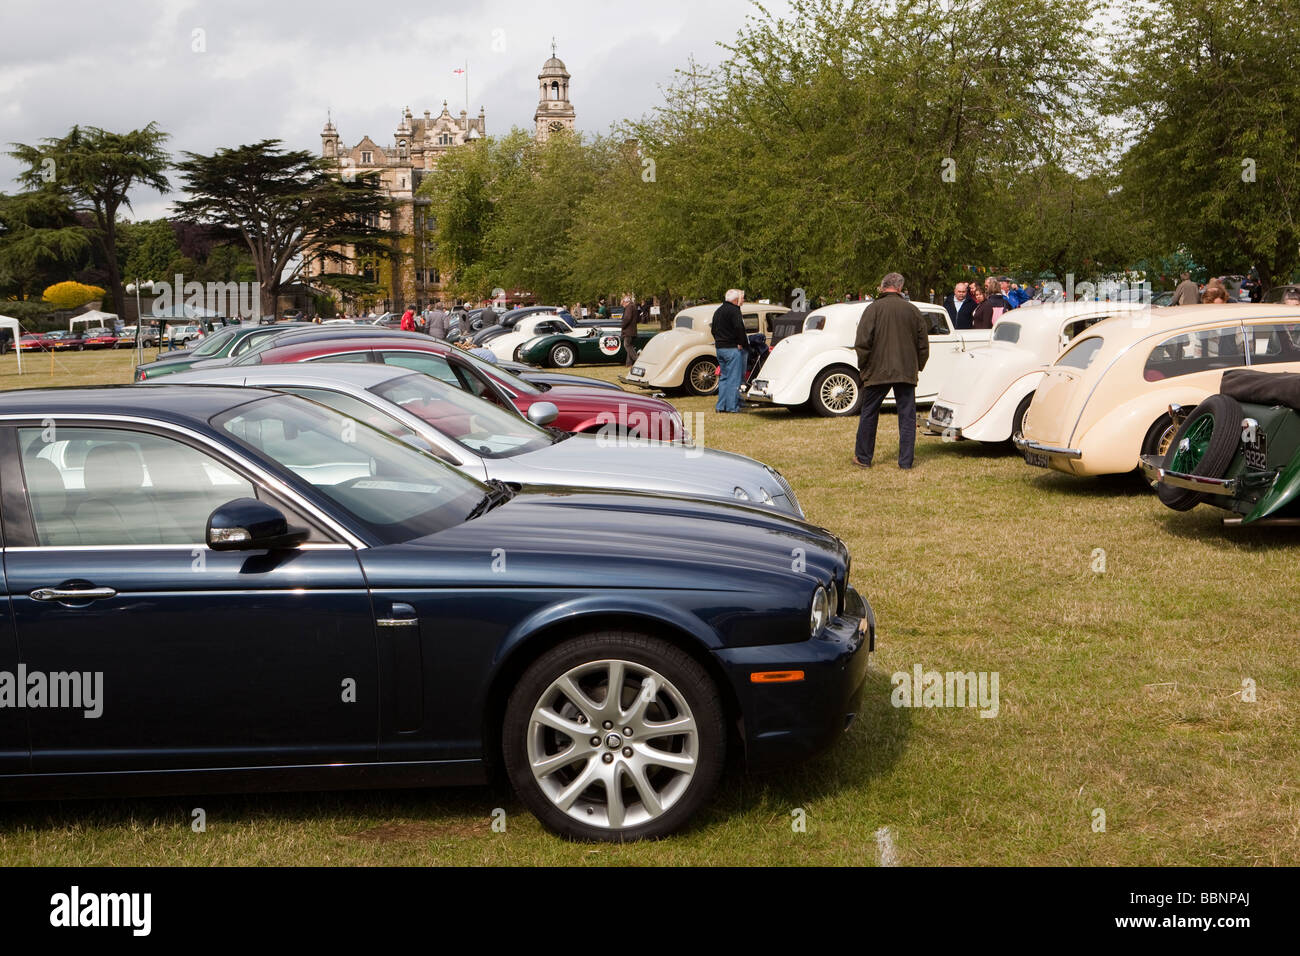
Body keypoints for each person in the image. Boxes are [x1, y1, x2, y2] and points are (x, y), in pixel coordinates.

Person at [852, 272, 929, 470]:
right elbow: (923, 345)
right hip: (905, 370)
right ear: (900, 288)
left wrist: (864, 368)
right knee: (907, 416)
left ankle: (863, 457)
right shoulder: (912, 310)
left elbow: (862, 343)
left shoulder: (873, 309)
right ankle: (905, 462)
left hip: (877, 370)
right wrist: (917, 367)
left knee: (869, 413)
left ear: (882, 287)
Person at [711, 289, 748, 413]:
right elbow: (739, 328)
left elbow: (713, 329)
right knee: (734, 378)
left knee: (724, 378)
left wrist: (719, 341)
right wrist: (741, 343)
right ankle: (732, 407)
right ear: (735, 300)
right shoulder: (734, 310)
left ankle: (720, 406)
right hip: (731, 348)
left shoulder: (718, 311)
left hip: (719, 348)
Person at [620, 294, 640, 366]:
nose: (623, 305)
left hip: (628, 330)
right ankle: (628, 364)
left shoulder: (629, 307)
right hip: (632, 330)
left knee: (627, 345)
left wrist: (622, 326)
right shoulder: (633, 306)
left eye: (623, 304)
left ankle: (637, 360)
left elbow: (627, 318)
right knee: (630, 346)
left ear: (626, 302)